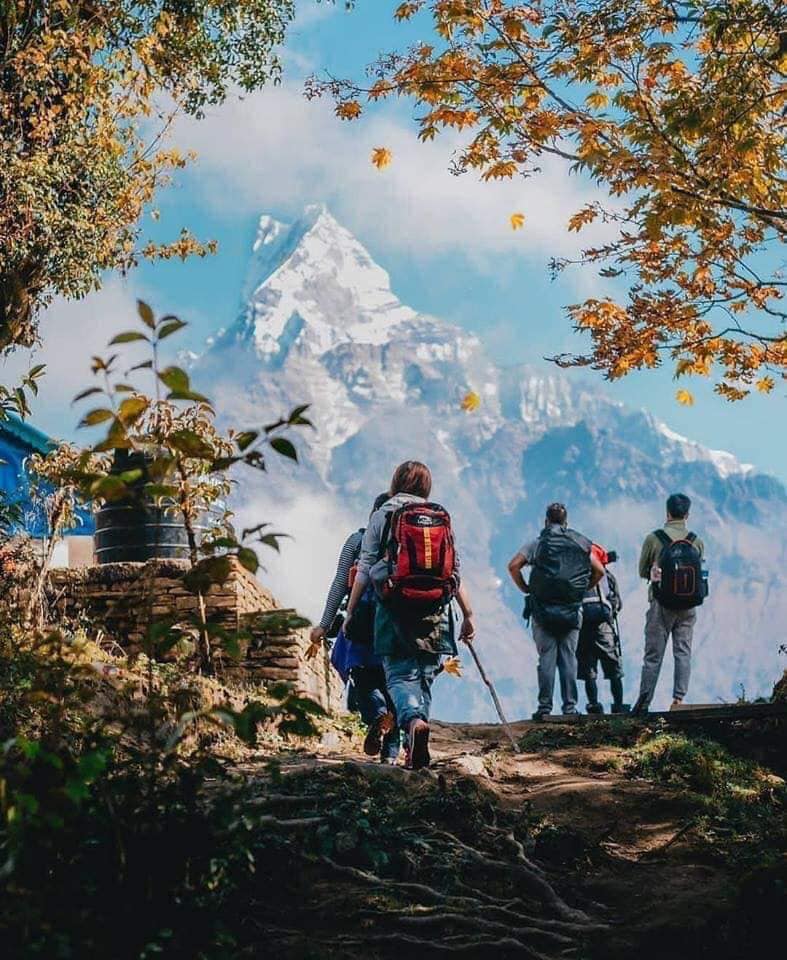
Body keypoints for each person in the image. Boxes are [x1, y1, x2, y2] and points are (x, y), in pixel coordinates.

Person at [344, 461, 475, 770]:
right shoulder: (439, 517)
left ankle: (414, 724)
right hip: (436, 610)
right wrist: (468, 614)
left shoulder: (383, 514)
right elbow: (454, 571)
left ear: (396, 482)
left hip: (393, 609)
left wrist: (351, 611)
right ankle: (416, 741)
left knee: (400, 675)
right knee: (425, 677)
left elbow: (364, 568)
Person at [307, 493, 401, 763]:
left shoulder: (358, 541)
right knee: (394, 679)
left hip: (361, 618)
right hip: (400, 623)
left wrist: (324, 624)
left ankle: (377, 715)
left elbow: (340, 583)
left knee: (360, 672)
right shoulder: (407, 543)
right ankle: (391, 754)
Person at [508, 502, 604, 719]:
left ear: (546, 521)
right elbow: (599, 570)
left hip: (542, 610)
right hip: (571, 609)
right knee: (569, 658)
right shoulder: (580, 542)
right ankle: (569, 708)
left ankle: (544, 708)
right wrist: (583, 588)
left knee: (547, 658)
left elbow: (513, 566)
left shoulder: (538, 544)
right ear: (566, 522)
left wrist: (527, 589)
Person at [632, 493, 706, 715]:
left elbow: (642, 571)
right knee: (683, 652)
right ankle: (679, 700)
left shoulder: (654, 539)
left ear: (667, 512)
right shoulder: (696, 541)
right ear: (687, 514)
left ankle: (644, 702)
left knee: (653, 655)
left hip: (661, 604)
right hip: (688, 607)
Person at [578, 545, 628, 714]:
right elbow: (617, 603)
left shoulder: (577, 576)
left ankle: (593, 705)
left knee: (588, 668)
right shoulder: (607, 576)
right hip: (603, 624)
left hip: (583, 624)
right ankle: (618, 705)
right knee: (613, 665)